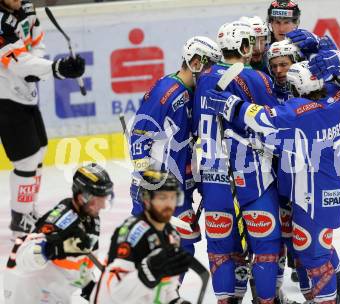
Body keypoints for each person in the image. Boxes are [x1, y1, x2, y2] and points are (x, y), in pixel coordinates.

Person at [204, 60, 340, 304]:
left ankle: (327, 300)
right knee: (315, 250)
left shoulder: (299, 113)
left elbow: (261, 118)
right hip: (336, 187)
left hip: (312, 197)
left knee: (314, 254)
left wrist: (231, 104)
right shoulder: (339, 100)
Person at [193, 20, 287, 304]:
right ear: (245, 46)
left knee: (221, 249)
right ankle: (266, 300)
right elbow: (273, 124)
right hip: (253, 177)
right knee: (267, 246)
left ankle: (227, 300)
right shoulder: (257, 79)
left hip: (212, 178)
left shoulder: (204, 78)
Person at [129, 36, 222, 260]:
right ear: (196, 62)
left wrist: (197, 181)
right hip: (158, 187)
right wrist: (147, 178)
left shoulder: (193, 93)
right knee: (161, 248)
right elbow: (139, 134)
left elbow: (186, 145)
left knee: (182, 246)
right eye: (210, 65)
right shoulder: (166, 92)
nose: (212, 73)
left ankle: (166, 294)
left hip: (178, 186)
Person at [0, 0, 86, 237]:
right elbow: (18, 62)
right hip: (4, 98)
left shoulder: (26, 8)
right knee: (26, 160)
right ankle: (20, 219)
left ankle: (28, 210)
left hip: (25, 95)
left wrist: (38, 69)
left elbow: (35, 43)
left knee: (39, 150)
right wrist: (57, 68)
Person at [3, 163, 113, 304]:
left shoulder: (91, 219)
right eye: (98, 199)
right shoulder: (60, 220)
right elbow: (21, 258)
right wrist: (53, 248)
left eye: (104, 198)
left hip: (53, 293)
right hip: (28, 295)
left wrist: (90, 287)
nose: (103, 205)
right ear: (82, 197)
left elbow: (82, 262)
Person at [90, 170, 193, 304]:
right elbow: (118, 294)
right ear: (147, 199)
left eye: (173, 198)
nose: (169, 204)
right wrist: (150, 270)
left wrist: (174, 300)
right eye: (162, 198)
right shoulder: (132, 234)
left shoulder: (171, 235)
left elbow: (166, 285)